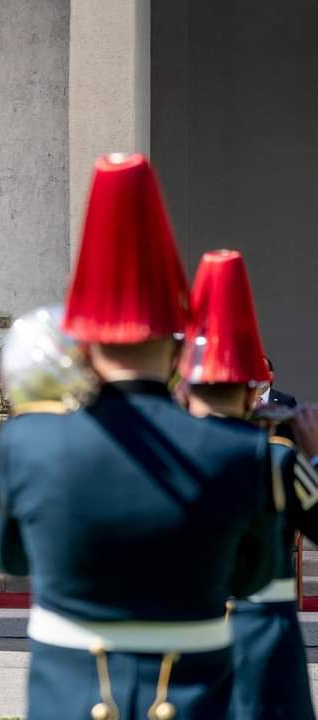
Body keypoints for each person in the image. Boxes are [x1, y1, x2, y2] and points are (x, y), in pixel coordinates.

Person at [0, 153, 278, 720]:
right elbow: (252, 575)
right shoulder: (242, 451)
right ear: (178, 347)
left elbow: (11, 556)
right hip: (194, 694)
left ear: (85, 345)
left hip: (69, 695)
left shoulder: (29, 442)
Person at [179, 250, 318, 720]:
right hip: (263, 642)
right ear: (250, 392)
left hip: (184, 632)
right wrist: (313, 454)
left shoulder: (163, 460)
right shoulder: (277, 461)